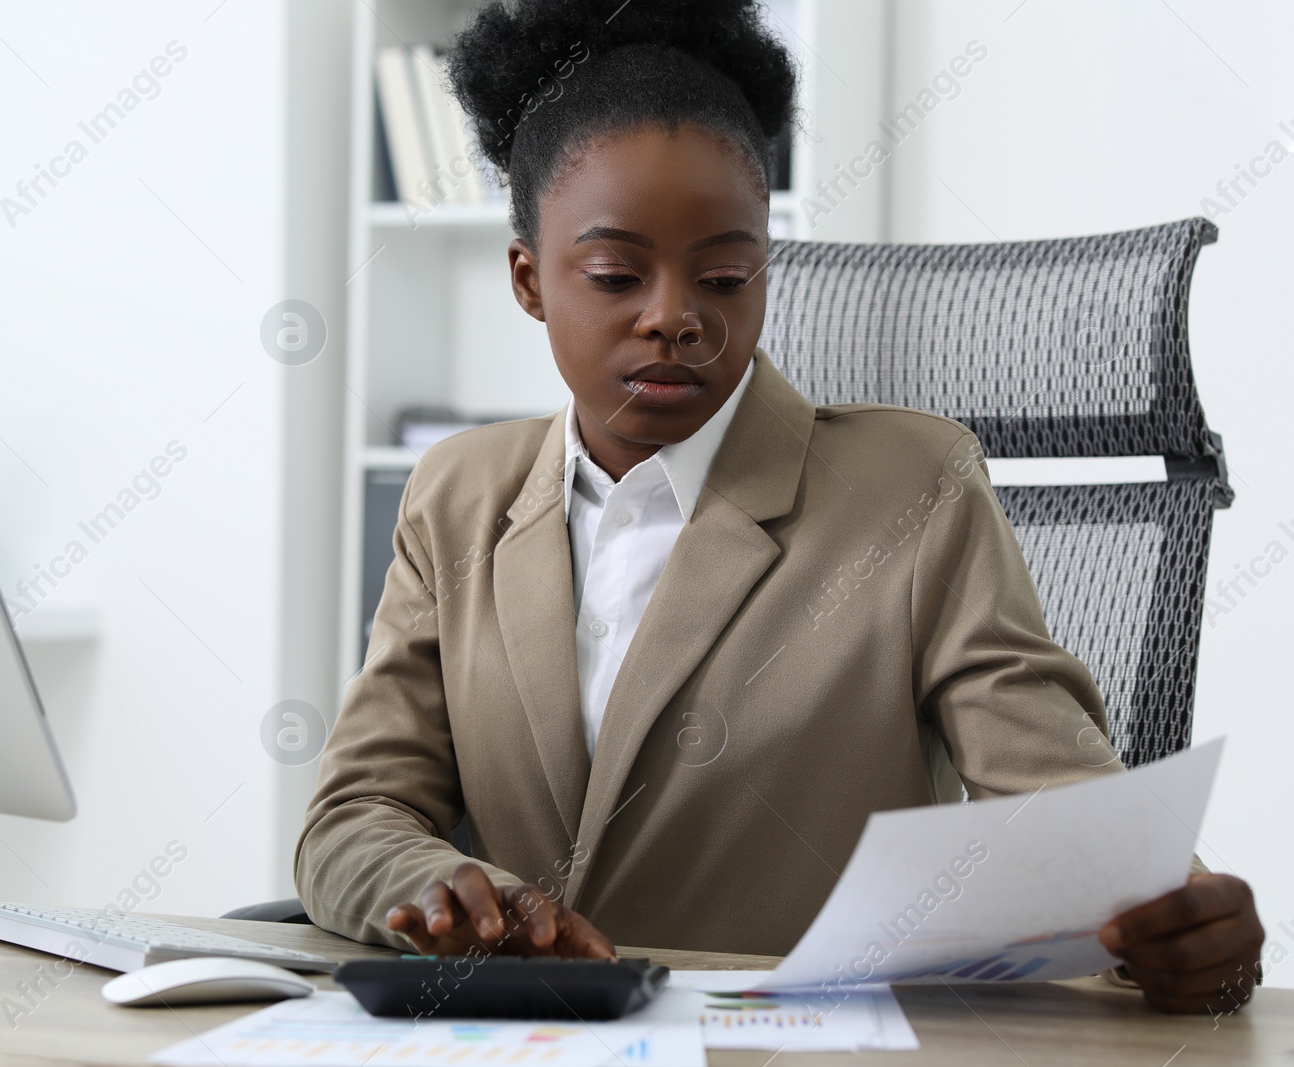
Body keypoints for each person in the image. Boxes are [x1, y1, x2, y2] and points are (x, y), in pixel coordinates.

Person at [294, 0, 1263, 1015]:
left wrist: (1177, 909)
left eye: (724, 274)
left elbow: (1055, 794)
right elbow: (357, 810)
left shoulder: (914, 484)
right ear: (530, 280)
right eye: (617, 273)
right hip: (510, 1040)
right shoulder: (457, 493)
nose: (674, 315)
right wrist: (459, 894)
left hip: (789, 1039)